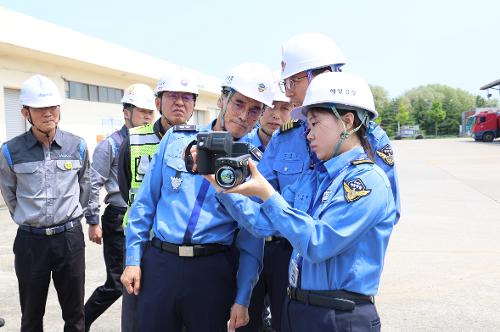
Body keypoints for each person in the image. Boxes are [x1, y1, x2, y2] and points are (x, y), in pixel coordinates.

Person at [210, 72, 396, 331]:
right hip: (300, 308)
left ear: (347, 121)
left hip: (338, 314)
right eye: (307, 126)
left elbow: (318, 243)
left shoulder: (366, 181)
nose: (308, 134)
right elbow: (266, 224)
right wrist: (223, 188)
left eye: (315, 123)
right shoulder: (316, 178)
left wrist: (268, 194)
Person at [120, 63, 274, 331]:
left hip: (212, 271)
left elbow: (253, 239)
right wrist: (133, 260)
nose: (244, 115)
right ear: (222, 99)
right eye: (238, 103)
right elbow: (144, 204)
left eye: (254, 110)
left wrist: (243, 298)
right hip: (160, 264)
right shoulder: (177, 140)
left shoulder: (256, 165)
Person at [261, 32, 400, 222]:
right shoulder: (284, 137)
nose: (289, 91)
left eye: (293, 81)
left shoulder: (370, 137)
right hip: (289, 246)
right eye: (285, 83)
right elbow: (259, 197)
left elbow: (387, 210)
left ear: (322, 76)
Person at [0, 75, 90, 332]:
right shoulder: (10, 151)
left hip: (69, 240)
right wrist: (32, 219)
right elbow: (10, 194)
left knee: (75, 316)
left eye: (53, 107)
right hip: (30, 243)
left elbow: (85, 187)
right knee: (30, 316)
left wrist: (71, 218)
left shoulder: (77, 145)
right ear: (25, 112)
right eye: (40, 109)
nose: (48, 113)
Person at [117, 68, 199, 332]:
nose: (179, 102)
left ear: (194, 105)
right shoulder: (134, 139)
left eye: (187, 97)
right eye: (172, 96)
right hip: (141, 246)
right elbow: (125, 187)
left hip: (177, 250)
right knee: (137, 321)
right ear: (157, 102)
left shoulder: (203, 142)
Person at [84, 83, 156, 331]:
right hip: (118, 217)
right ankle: (78, 323)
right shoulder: (112, 144)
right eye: (142, 111)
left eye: (150, 112)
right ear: (126, 112)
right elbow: (93, 183)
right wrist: (93, 221)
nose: (147, 117)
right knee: (118, 282)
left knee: (144, 279)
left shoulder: (154, 141)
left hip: (147, 219)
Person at [240, 78, 293, 332]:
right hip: (246, 246)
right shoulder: (238, 145)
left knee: (285, 319)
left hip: (284, 249)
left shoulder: (302, 146)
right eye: (271, 106)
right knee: (246, 319)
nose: (276, 114)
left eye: (285, 108)